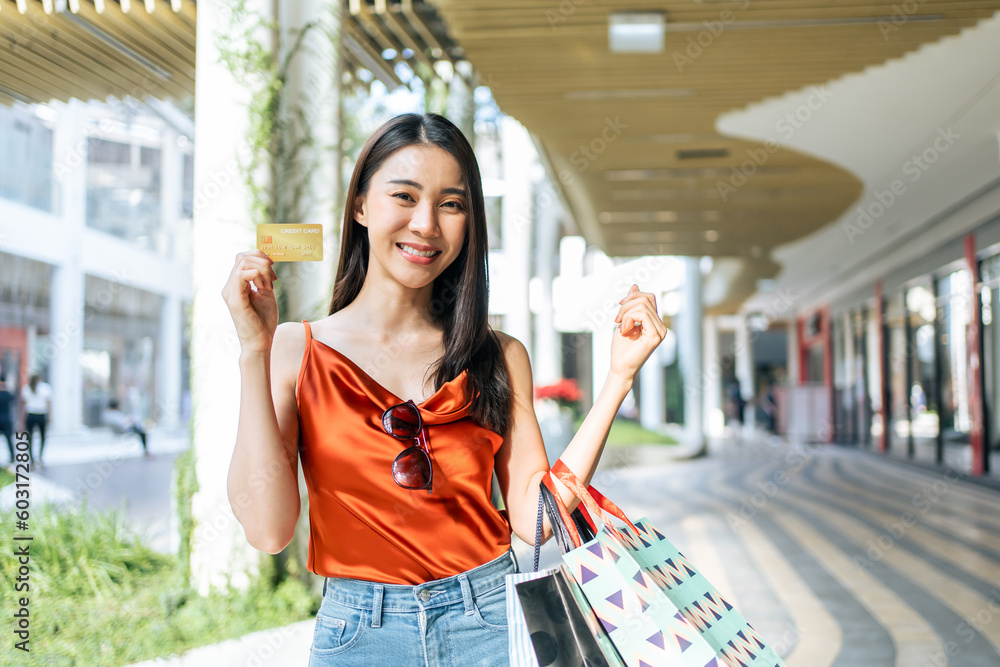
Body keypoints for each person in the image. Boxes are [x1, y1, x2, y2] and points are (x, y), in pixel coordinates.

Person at [221, 113, 666, 666]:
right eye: (404, 196)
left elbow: (535, 523)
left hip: (492, 624)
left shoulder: (499, 357)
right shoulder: (294, 349)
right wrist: (252, 351)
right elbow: (267, 530)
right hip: (360, 637)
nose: (426, 224)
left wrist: (618, 379)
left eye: (451, 204)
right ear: (361, 206)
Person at [21, 373, 52, 467]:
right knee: (42, 437)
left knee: (29, 438)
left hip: (30, 414)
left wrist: (22, 418)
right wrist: (49, 416)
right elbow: (48, 404)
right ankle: (40, 457)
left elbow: (24, 404)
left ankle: (32, 460)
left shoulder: (26, 388)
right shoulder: (45, 388)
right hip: (41, 415)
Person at [0, 373, 15, 465]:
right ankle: (12, 457)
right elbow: (13, 398)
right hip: (6, 420)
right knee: (9, 440)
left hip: (4, 420)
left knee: (9, 439)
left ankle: (12, 456)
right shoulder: (7, 393)